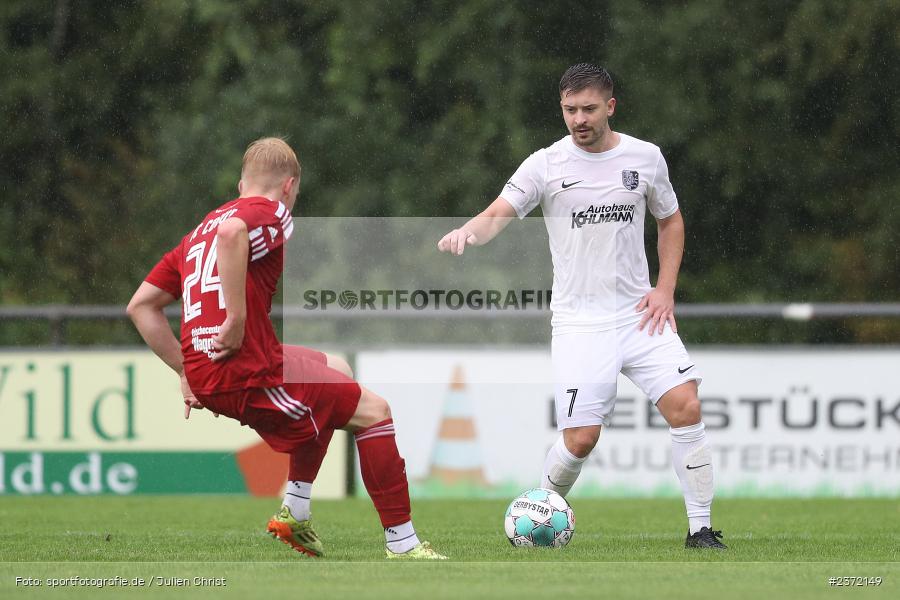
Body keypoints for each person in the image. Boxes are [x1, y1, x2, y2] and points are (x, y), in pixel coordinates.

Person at [438, 63, 726, 549]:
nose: (579, 119)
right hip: (580, 322)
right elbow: (497, 214)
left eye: (589, 109)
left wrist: (665, 289)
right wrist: (470, 231)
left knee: (687, 405)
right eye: (570, 110)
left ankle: (700, 529)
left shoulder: (646, 158)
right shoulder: (545, 164)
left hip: (640, 315)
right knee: (581, 440)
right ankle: (539, 509)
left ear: (610, 106)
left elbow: (670, 221)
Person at [127, 137, 446, 559]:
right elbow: (232, 234)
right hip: (244, 371)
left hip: (215, 366)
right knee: (375, 412)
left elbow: (141, 306)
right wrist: (236, 319)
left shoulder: (199, 230)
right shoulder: (271, 211)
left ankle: (296, 509)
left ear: (242, 182)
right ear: (290, 186)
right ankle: (403, 546)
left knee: (335, 368)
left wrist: (185, 370)